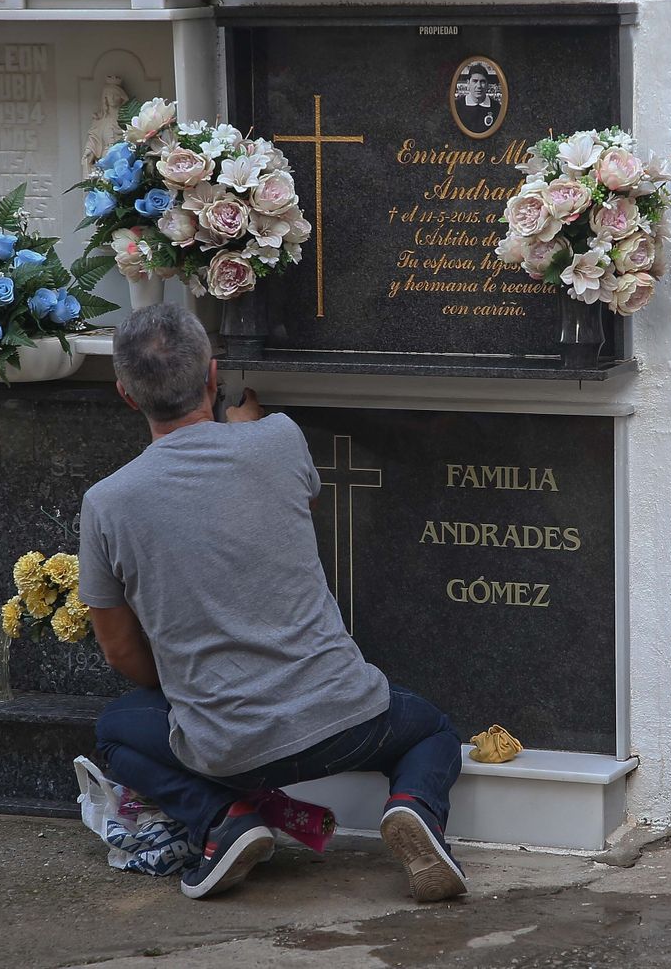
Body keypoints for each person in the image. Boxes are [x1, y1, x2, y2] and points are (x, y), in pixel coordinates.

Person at [81, 303, 468, 901]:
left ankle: (224, 821)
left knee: (114, 730)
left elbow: (118, 649)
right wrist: (246, 426)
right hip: (347, 721)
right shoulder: (279, 439)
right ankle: (414, 806)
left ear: (127, 396)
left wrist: (194, 690)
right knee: (432, 731)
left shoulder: (107, 504)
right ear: (212, 375)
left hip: (223, 750)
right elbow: (285, 498)